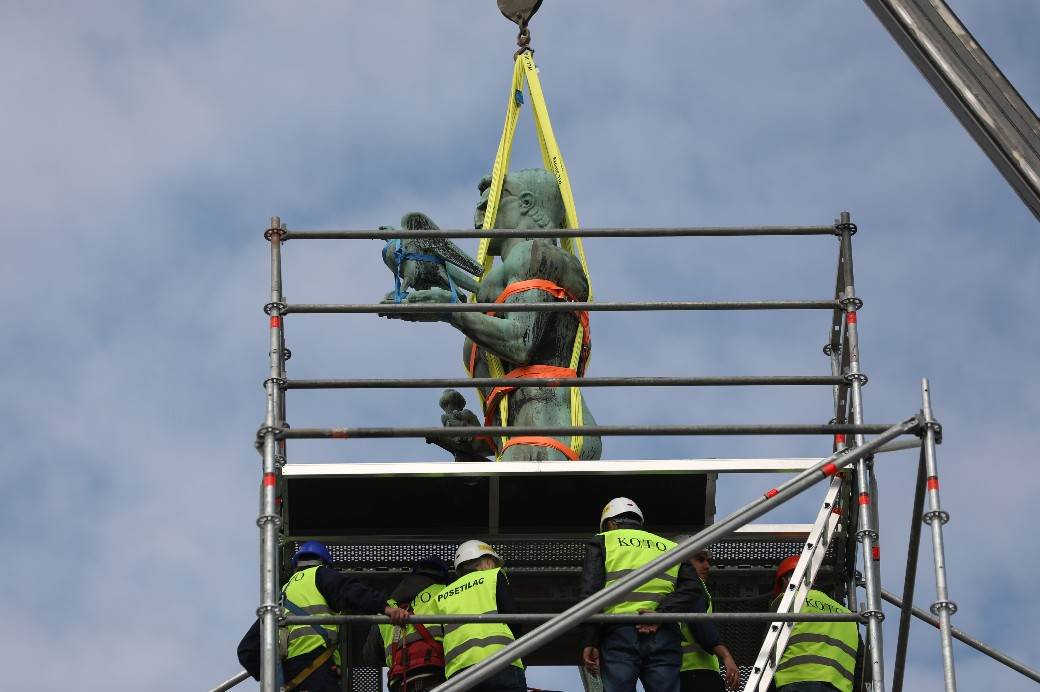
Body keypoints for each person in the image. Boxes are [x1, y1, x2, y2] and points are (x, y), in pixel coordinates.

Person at [399, 168, 602, 461]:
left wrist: (451, 312)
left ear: (527, 204)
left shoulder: (538, 254)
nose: (482, 206)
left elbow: (522, 342)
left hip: (554, 434)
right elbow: (513, 397)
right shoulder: (493, 288)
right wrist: (478, 438)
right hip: (526, 439)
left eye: (495, 198)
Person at [237, 540, 410, 692]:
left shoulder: (280, 597)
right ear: (324, 563)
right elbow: (351, 591)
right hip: (317, 671)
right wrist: (386, 608)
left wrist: (272, 677)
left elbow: (246, 650)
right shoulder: (320, 574)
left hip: (288, 681)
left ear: (297, 565)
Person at [580, 497, 705, 692]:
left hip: (619, 632)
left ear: (611, 524)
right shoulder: (671, 548)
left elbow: (590, 593)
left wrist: (590, 641)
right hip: (663, 633)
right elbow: (692, 589)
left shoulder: (604, 540)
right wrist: (660, 615)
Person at [430, 539, 528, 691]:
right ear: (487, 562)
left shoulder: (442, 595)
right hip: (500, 662)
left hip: (459, 673)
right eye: (493, 562)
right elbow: (512, 617)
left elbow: (437, 639)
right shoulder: (493, 576)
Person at [770, 556, 861, 692]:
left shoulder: (787, 602)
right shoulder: (847, 615)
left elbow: (769, 650)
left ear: (785, 581)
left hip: (796, 682)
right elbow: (862, 664)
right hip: (838, 687)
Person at [362, 556, 452, 692]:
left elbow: (369, 657)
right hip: (436, 675)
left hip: (399, 681)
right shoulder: (446, 593)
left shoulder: (387, 608)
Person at [675, 546, 740, 692]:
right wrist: (726, 656)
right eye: (700, 560)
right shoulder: (693, 587)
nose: (707, 566)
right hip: (698, 674)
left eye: (707, 560)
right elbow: (700, 624)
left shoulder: (672, 589)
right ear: (682, 562)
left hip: (678, 673)